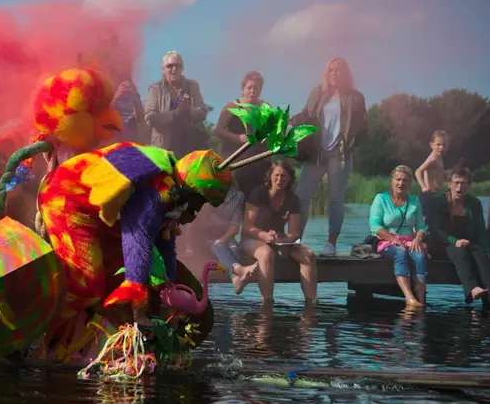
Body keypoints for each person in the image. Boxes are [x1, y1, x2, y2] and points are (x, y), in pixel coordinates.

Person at [36, 145, 234, 352]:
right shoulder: (154, 195)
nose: (196, 214)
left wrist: (169, 297)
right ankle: (36, 330)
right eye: (198, 203)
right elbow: (137, 244)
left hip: (104, 220)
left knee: (132, 282)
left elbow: (164, 249)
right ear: (186, 191)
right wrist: (139, 314)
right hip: (67, 197)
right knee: (87, 286)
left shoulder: (171, 191)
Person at [294, 57, 368, 257]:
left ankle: (330, 244)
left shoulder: (355, 97)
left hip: (340, 154)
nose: (335, 74)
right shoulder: (318, 93)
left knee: (335, 198)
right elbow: (306, 114)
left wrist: (351, 143)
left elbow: (363, 126)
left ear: (346, 73)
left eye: (339, 70)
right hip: (316, 153)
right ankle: (296, 240)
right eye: (331, 70)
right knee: (302, 196)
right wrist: (290, 123)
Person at [240, 160, 317, 306]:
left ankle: (312, 301)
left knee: (308, 255)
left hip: (278, 241)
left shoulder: (292, 199)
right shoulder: (259, 193)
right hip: (252, 239)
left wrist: (285, 239)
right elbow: (246, 226)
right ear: (270, 176)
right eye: (277, 175)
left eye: (284, 176)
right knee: (266, 254)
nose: (280, 179)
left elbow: (295, 232)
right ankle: (267, 301)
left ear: (289, 179)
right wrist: (264, 236)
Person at [428, 166, 490, 306]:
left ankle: (488, 291)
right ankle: (472, 289)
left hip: (467, 243)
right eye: (456, 183)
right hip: (443, 244)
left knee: (480, 253)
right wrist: (453, 241)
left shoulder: (474, 203)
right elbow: (435, 229)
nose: (459, 187)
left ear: (468, 186)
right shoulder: (438, 201)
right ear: (449, 184)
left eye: (463, 183)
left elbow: (480, 230)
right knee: (460, 251)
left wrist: (487, 250)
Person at [368, 165, 427, 307]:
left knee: (419, 256)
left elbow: (421, 226)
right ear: (392, 181)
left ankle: (421, 300)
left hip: (409, 241)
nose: (401, 183)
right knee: (400, 253)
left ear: (410, 183)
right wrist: (395, 240)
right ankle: (409, 298)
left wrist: (418, 239)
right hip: (387, 242)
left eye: (405, 180)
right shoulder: (381, 199)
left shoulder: (414, 201)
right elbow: (375, 226)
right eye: (398, 179)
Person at [214, 71, 269, 199]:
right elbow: (218, 130)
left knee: (258, 198)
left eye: (256, 88)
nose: (252, 91)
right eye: (249, 87)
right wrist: (237, 138)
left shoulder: (266, 107)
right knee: (236, 197)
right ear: (243, 89)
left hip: (259, 161)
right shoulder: (232, 106)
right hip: (236, 161)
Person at [144, 50, 207, 160]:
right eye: (170, 66)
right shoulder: (155, 89)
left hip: (188, 148)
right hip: (162, 149)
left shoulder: (192, 86)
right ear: (163, 69)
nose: (174, 69)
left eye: (177, 66)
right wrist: (174, 114)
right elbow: (149, 118)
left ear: (182, 68)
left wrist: (188, 110)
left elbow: (202, 113)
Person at [415, 130, 450, 214]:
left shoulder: (439, 158)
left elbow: (437, 174)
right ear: (431, 145)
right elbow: (418, 171)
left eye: (444, 145)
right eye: (438, 144)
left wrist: (447, 173)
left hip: (437, 195)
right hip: (429, 196)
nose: (441, 147)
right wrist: (423, 186)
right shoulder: (432, 158)